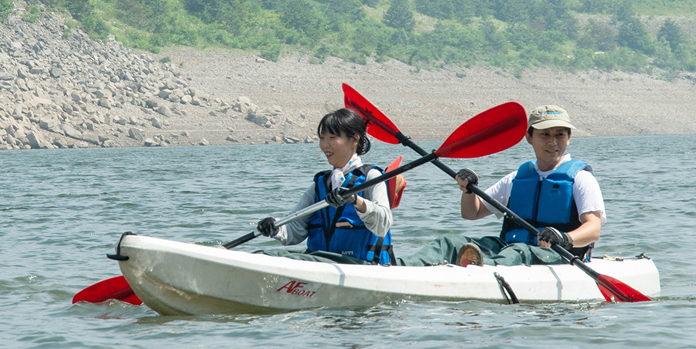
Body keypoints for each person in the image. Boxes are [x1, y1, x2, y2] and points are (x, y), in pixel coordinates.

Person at [400, 104, 602, 267]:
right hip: (512, 250)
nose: (553, 142)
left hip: (559, 256)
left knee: (517, 251)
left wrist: (563, 238)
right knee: (450, 242)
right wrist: (468, 190)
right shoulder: (516, 178)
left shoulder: (581, 178)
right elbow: (471, 213)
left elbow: (593, 229)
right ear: (529, 138)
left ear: (568, 139)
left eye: (560, 135)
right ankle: (400, 266)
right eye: (545, 134)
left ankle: (479, 268)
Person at [254, 108, 396, 263]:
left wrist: (355, 200)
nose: (324, 145)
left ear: (354, 139)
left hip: (360, 265)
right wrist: (274, 227)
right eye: (322, 138)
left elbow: (383, 225)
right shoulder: (320, 185)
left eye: (332, 137)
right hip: (321, 262)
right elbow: (294, 231)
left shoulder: (372, 177)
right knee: (263, 254)